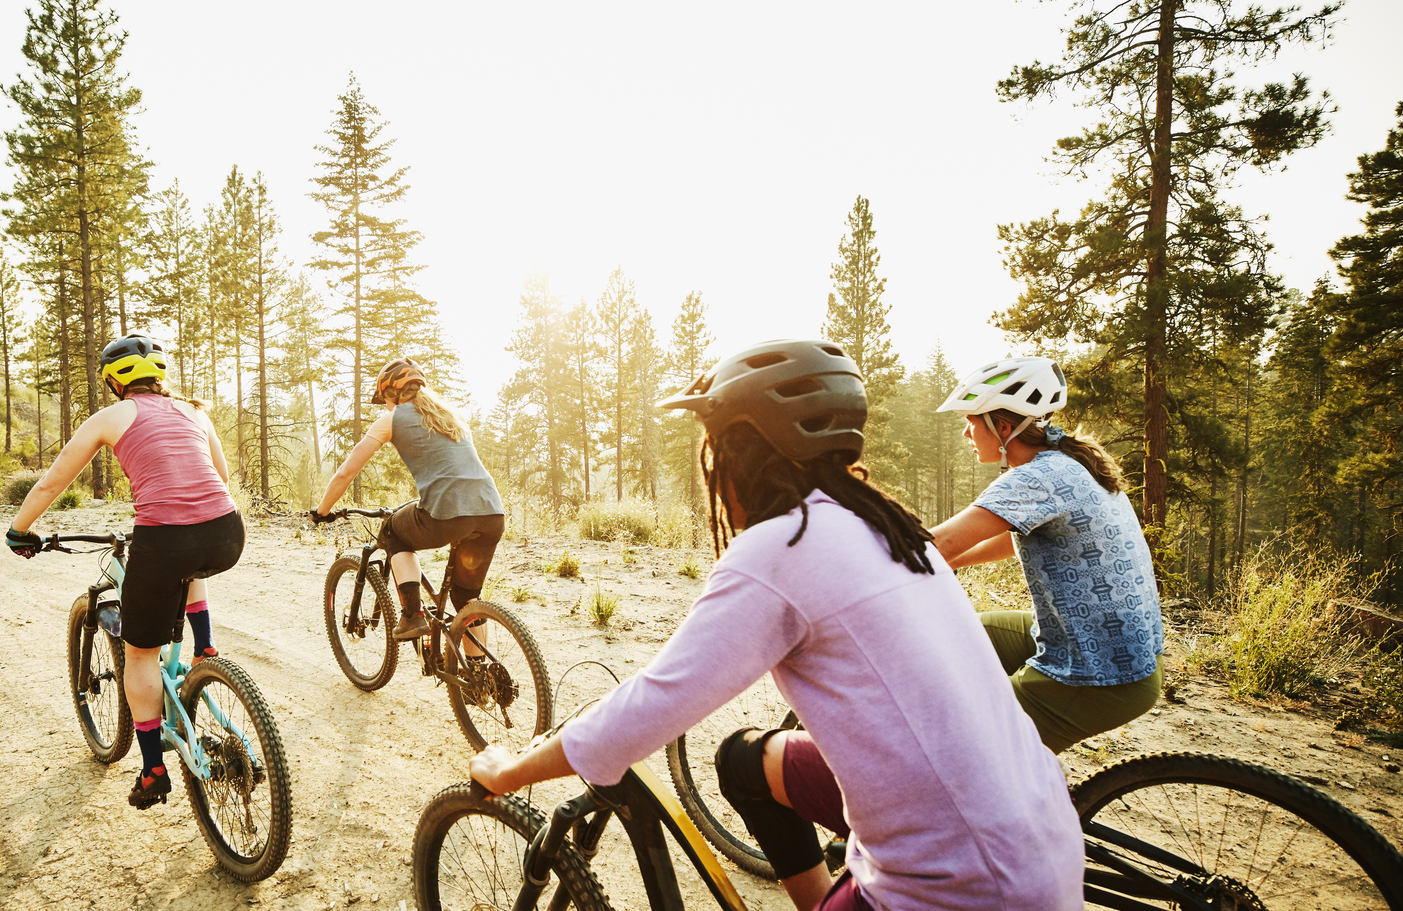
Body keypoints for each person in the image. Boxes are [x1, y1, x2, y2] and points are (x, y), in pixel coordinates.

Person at [467, 340, 1081, 911]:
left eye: (715, 449)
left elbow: (648, 710)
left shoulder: (783, 546)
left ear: (741, 452)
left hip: (967, 886)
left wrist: (512, 769)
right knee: (743, 762)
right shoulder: (881, 522)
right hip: (1044, 837)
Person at [5, 334, 242, 811]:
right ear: (160, 375)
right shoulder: (196, 412)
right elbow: (219, 476)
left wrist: (19, 530)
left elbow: (54, 481)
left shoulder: (109, 418)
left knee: (139, 656)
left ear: (114, 380)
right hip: (227, 533)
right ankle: (206, 647)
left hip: (165, 541)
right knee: (191, 559)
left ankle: (153, 768)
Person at [927, 356, 1165, 754]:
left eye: (971, 422)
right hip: (1119, 650)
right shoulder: (1068, 461)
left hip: (1098, 674)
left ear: (1002, 427)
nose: (967, 434)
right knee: (951, 636)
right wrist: (949, 562)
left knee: (964, 754)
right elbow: (1007, 538)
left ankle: (1023, 799)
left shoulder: (1035, 477)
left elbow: (937, 543)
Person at [310, 358, 504, 641]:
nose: (387, 407)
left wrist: (322, 511)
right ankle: (481, 677)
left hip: (448, 516)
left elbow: (345, 472)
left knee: (392, 531)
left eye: (386, 400)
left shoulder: (391, 418)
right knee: (467, 602)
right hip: (492, 513)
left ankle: (413, 616)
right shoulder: (452, 415)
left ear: (393, 394)